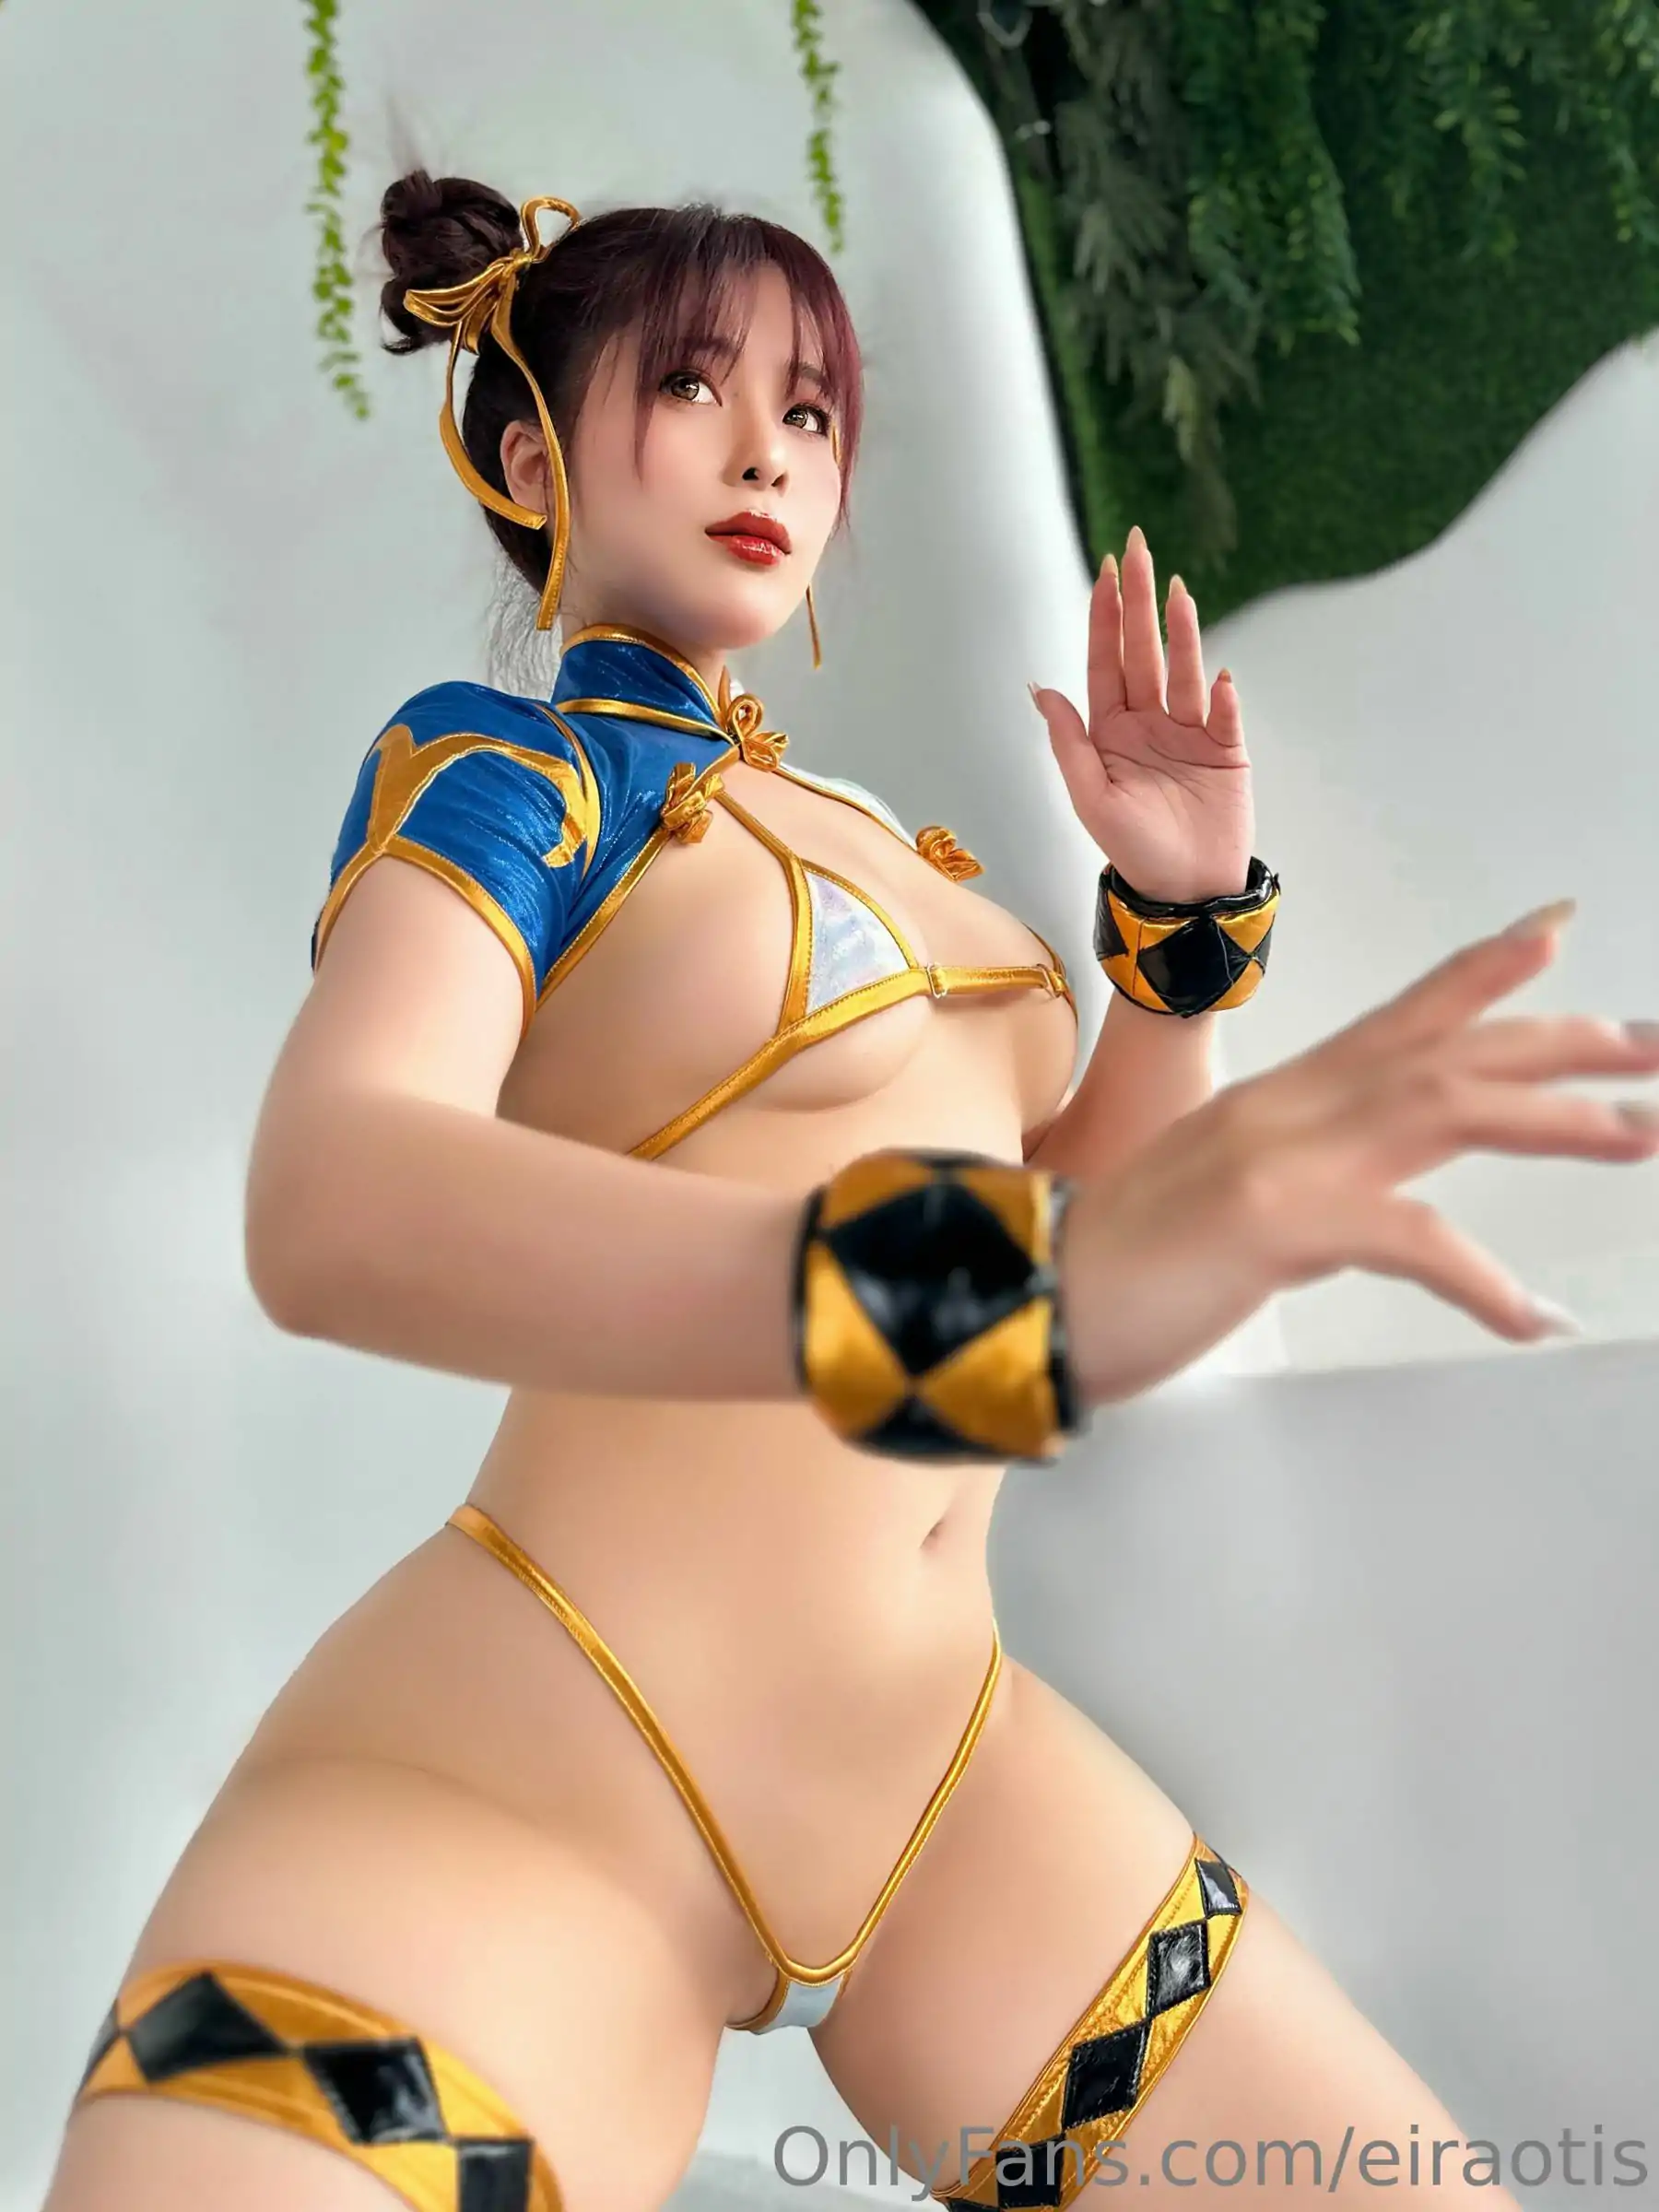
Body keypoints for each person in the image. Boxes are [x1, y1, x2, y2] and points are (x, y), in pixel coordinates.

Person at [43, 172, 1659, 2212]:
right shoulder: (513, 780)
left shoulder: (886, 840)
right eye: (692, 387)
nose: (766, 453)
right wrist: (1013, 1294)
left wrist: (1174, 941)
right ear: (533, 462)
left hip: (950, 1790)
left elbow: (1071, 1236)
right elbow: (336, 1198)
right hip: (538, 1771)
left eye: (808, 410)